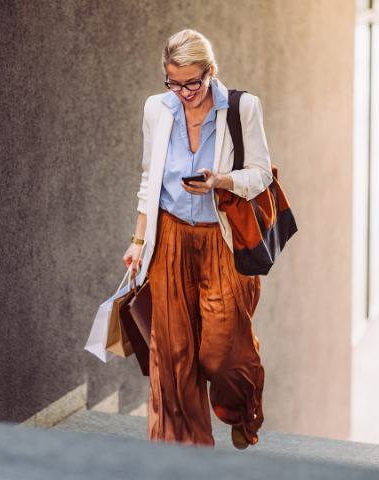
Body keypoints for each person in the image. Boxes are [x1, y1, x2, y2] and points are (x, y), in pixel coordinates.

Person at [122, 29, 273, 449]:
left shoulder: (242, 108)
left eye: (193, 82)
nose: (184, 92)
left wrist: (220, 181)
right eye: (174, 81)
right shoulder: (158, 108)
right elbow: (149, 180)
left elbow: (260, 174)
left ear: (211, 72)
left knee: (222, 355)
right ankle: (182, 460)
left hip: (221, 241)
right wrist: (138, 242)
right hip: (169, 239)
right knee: (173, 359)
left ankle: (243, 411)